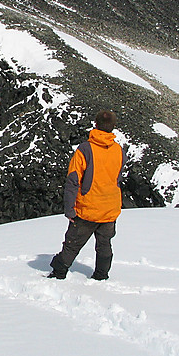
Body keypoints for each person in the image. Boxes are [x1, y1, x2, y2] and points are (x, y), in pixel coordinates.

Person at [48, 110, 124, 280]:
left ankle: (58, 273)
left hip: (87, 208)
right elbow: (117, 178)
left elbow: (73, 180)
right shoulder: (118, 150)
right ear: (113, 127)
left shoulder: (85, 149)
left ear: (95, 124)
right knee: (104, 245)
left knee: (72, 244)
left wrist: (69, 209)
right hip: (110, 208)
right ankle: (101, 276)